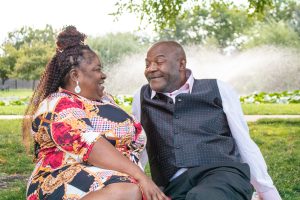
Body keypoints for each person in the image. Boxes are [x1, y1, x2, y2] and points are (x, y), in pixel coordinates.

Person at [23, 26, 169, 200]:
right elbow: (91, 146)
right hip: (62, 180)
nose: (103, 75)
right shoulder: (57, 104)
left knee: (135, 191)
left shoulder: (105, 100)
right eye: (97, 69)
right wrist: (141, 177)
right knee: (127, 192)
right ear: (75, 75)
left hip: (116, 179)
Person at [132, 41, 282, 200]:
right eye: (147, 64)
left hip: (222, 172)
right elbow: (136, 146)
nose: (151, 69)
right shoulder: (141, 97)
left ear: (181, 64)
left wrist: (267, 191)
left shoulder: (218, 88)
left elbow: (243, 141)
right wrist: (134, 181)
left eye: (159, 62)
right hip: (174, 185)